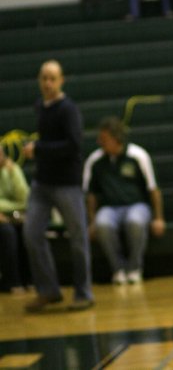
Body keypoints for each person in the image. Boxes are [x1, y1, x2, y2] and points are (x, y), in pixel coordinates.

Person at [22, 60, 94, 312]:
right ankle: (49, 290)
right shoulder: (40, 106)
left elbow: (73, 146)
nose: (48, 83)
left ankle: (83, 292)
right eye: (44, 78)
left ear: (61, 80)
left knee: (78, 239)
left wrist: (38, 148)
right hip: (42, 183)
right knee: (31, 234)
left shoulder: (68, 109)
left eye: (52, 78)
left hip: (67, 184)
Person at [83, 116, 166, 284]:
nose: (100, 142)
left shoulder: (138, 155)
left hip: (137, 205)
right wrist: (91, 222)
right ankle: (118, 269)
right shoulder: (95, 160)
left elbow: (153, 188)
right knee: (102, 224)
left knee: (135, 221)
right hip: (109, 208)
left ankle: (135, 268)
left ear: (116, 139)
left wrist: (158, 218)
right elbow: (90, 194)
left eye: (104, 139)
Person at [0, 145, 30, 292]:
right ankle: (12, 282)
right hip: (5, 220)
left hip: (14, 216)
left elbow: (24, 200)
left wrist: (4, 211)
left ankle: (29, 281)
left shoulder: (12, 170)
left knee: (28, 230)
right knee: (7, 233)